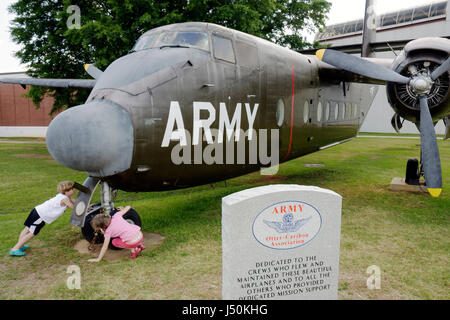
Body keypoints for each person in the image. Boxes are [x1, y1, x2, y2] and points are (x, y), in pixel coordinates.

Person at [10, 181, 76, 256]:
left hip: (37, 211)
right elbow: (73, 207)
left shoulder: (64, 196)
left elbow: (75, 202)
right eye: (72, 189)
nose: (74, 190)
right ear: (66, 191)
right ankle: (15, 248)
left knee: (27, 228)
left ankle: (20, 245)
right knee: (32, 233)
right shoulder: (65, 199)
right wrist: (82, 210)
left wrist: (87, 206)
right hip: (41, 216)